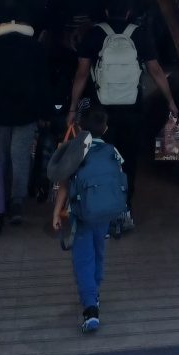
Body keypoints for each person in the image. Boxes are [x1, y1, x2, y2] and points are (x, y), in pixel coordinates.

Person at [66, 0, 178, 233]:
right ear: (129, 12)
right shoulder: (140, 34)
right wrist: (170, 100)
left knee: (99, 159)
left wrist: (73, 108)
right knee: (128, 159)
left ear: (106, 11)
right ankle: (125, 209)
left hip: (101, 112)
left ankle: (101, 210)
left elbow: (82, 74)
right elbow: (156, 70)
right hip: (132, 108)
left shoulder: (95, 34)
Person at [50, 106, 123, 334]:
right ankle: (95, 292)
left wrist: (56, 212)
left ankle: (90, 308)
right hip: (104, 213)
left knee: (83, 259)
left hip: (80, 215)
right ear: (106, 128)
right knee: (99, 252)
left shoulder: (76, 152)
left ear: (80, 128)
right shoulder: (113, 151)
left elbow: (64, 183)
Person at [0, 12, 51, 224]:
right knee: (20, 155)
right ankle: (17, 201)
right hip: (26, 111)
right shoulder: (35, 48)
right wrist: (46, 112)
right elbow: (43, 83)